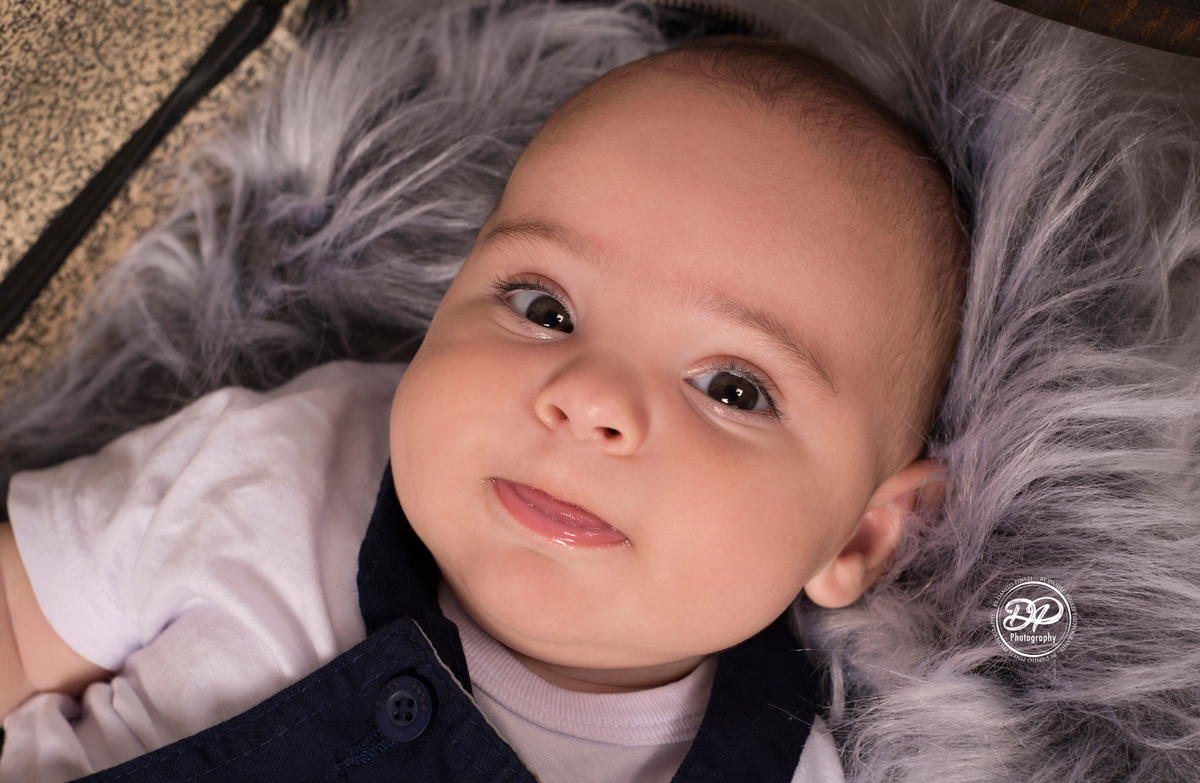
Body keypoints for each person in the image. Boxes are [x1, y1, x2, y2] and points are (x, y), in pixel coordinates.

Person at [0, 26, 965, 783]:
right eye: (545, 308)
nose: (588, 399)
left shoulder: (786, 763)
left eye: (732, 388)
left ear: (861, 538)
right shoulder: (288, 468)